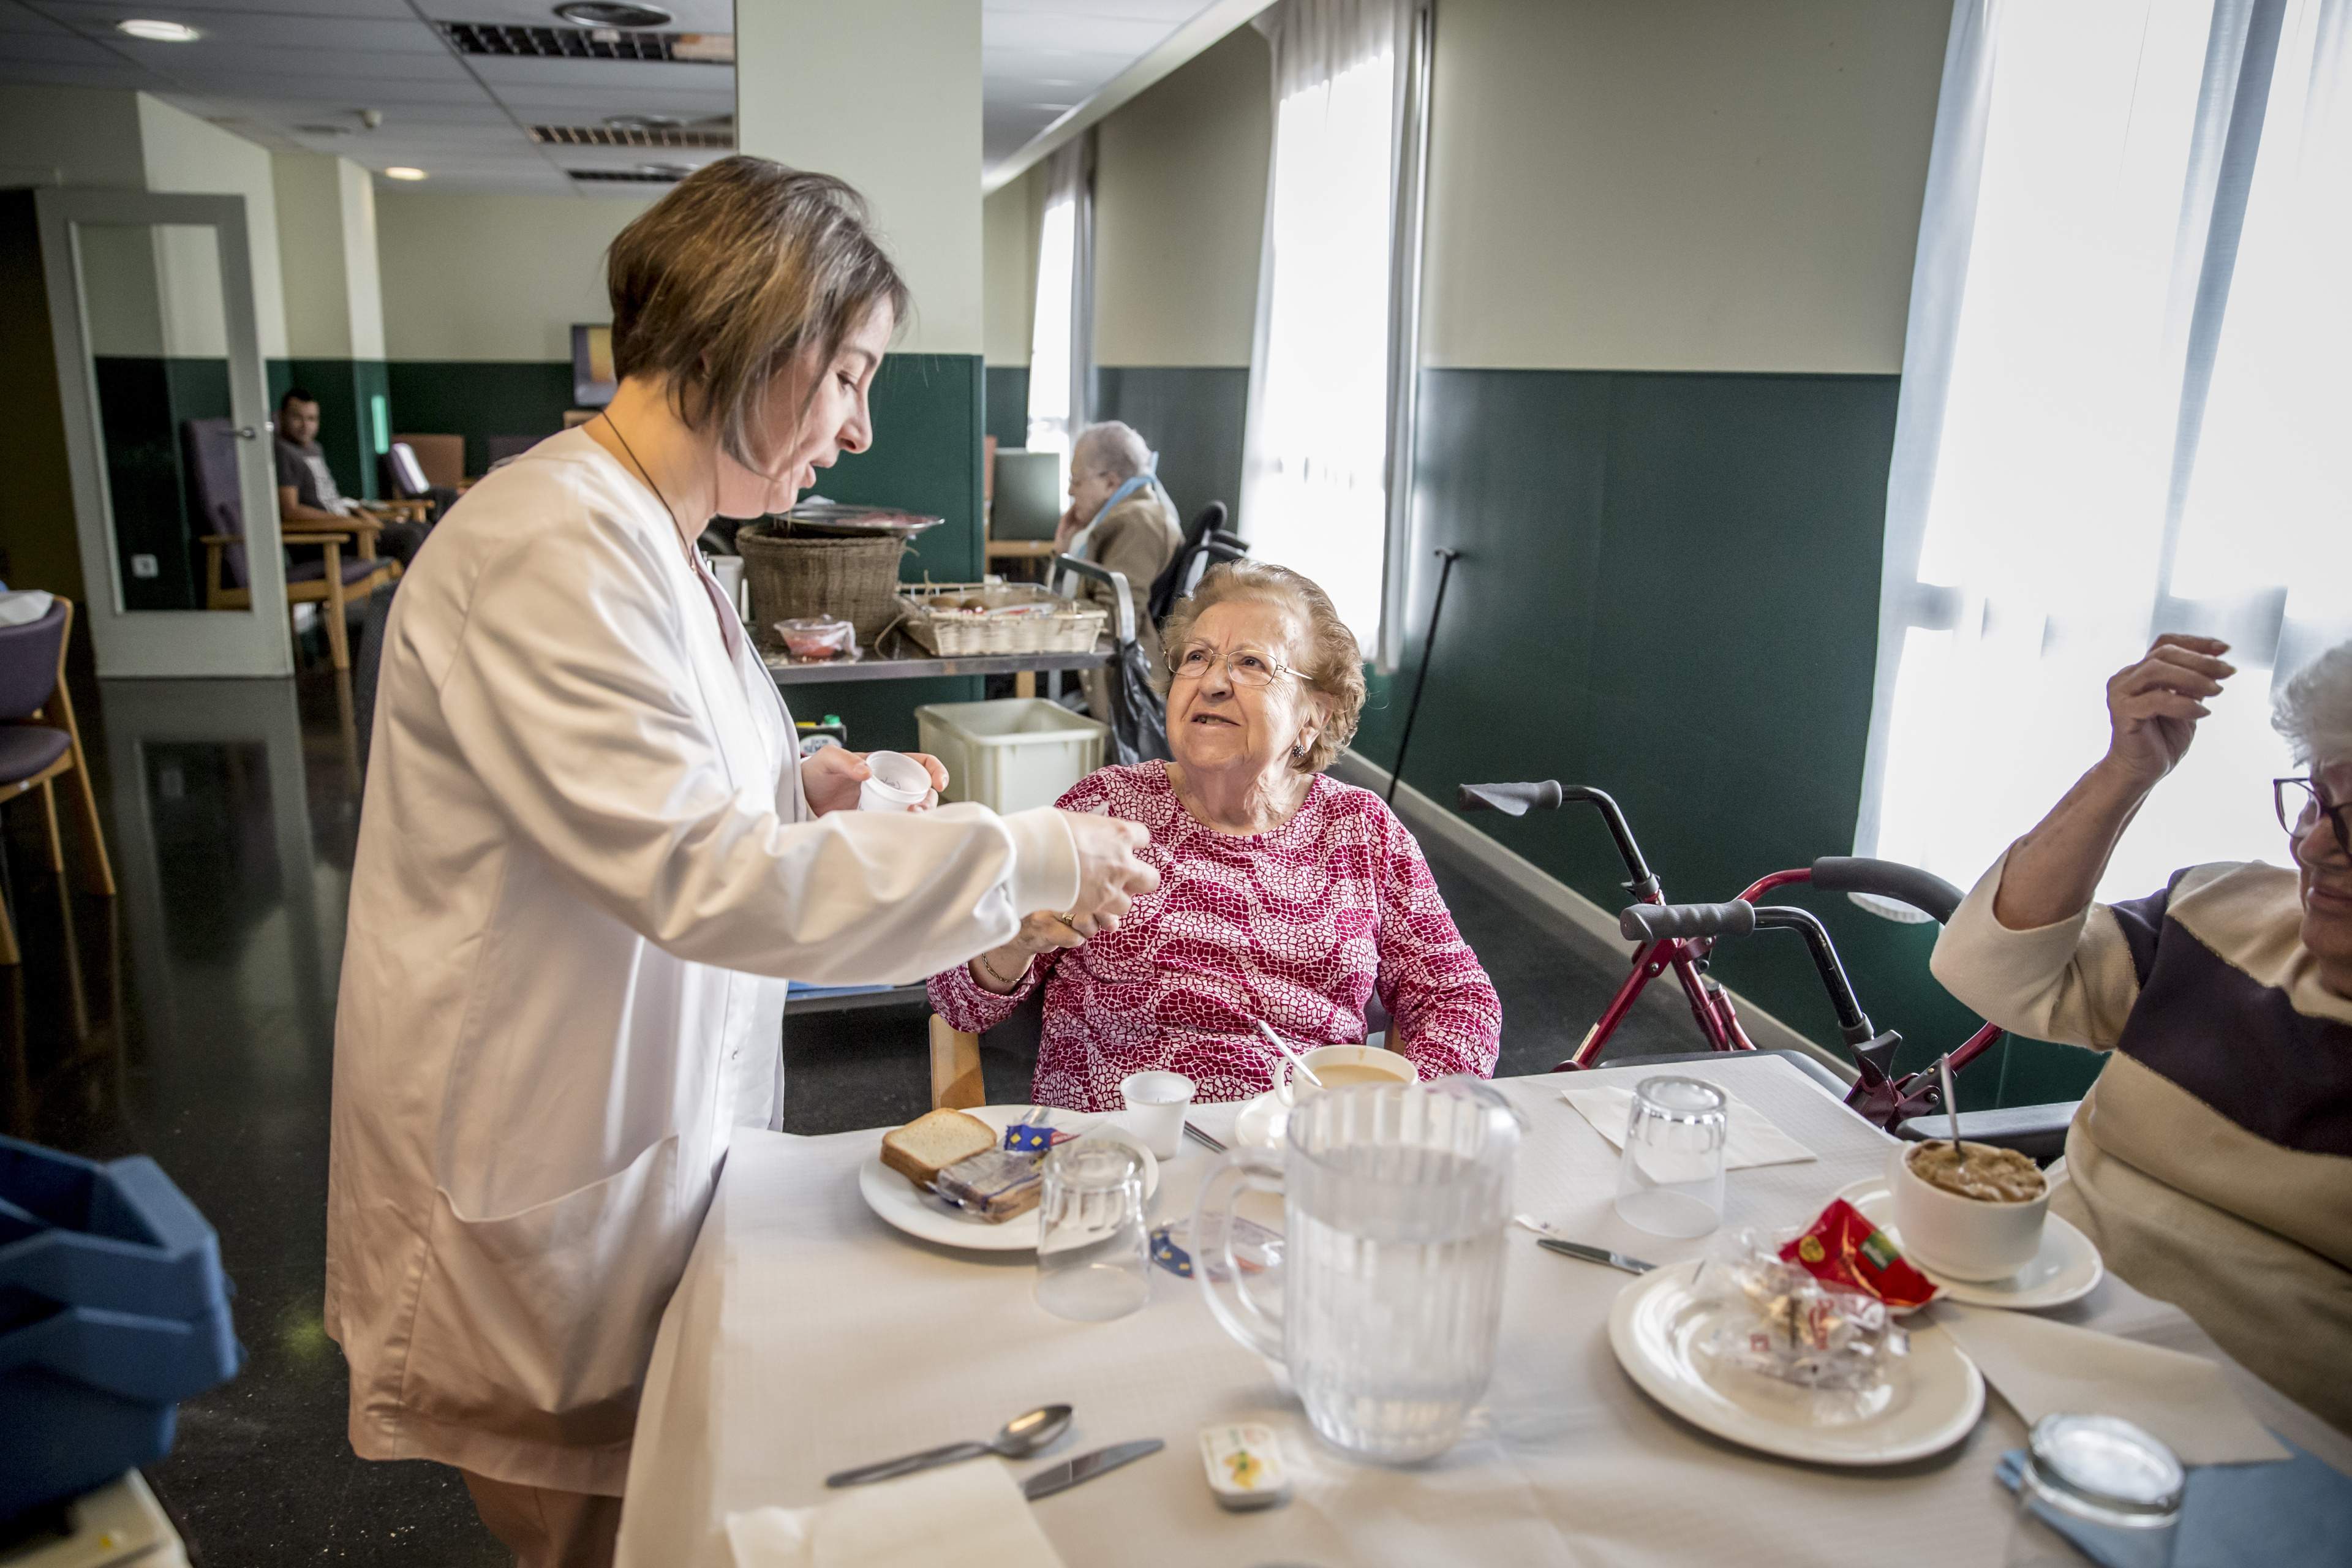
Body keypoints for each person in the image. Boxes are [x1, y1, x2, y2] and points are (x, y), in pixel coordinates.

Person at [325, 158, 1158, 1567]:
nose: (857, 424)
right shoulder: (554, 553)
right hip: (553, 1172)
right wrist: (1025, 851)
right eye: (848, 375)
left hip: (644, 1149)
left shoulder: (659, 540)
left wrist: (807, 776)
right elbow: (707, 879)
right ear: (756, 339)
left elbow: (652, 795)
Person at [1931, 634, 2352, 1433]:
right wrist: (2127, 772)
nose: (2314, 847)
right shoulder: (2221, 909)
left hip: (2245, 1431)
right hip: (2010, 1306)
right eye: (2314, 802)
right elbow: (1990, 974)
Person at [929, 559, 1501, 1110]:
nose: (1214, 682)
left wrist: (1406, 1120)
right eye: (1197, 657)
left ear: (1314, 716)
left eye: (1252, 663)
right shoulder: (1105, 807)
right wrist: (1013, 943)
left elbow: (1458, 998)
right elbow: (956, 1000)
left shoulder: (1361, 829)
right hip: (1115, 1159)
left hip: (1293, 1152)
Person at [1051, 421, 1183, 721]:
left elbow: (1117, 620)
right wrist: (1065, 551)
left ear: (1111, 482)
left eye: (1076, 481)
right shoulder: (1124, 515)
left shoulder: (1139, 523)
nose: (1071, 491)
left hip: (1115, 679)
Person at [274, 388, 429, 565]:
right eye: (297, 418)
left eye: (312, 419)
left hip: (348, 524)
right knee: (410, 536)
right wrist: (350, 521)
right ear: (281, 416)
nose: (305, 426)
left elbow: (331, 498)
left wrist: (359, 512)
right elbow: (291, 511)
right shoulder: (282, 452)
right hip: (327, 536)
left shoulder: (314, 448)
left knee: (423, 527)